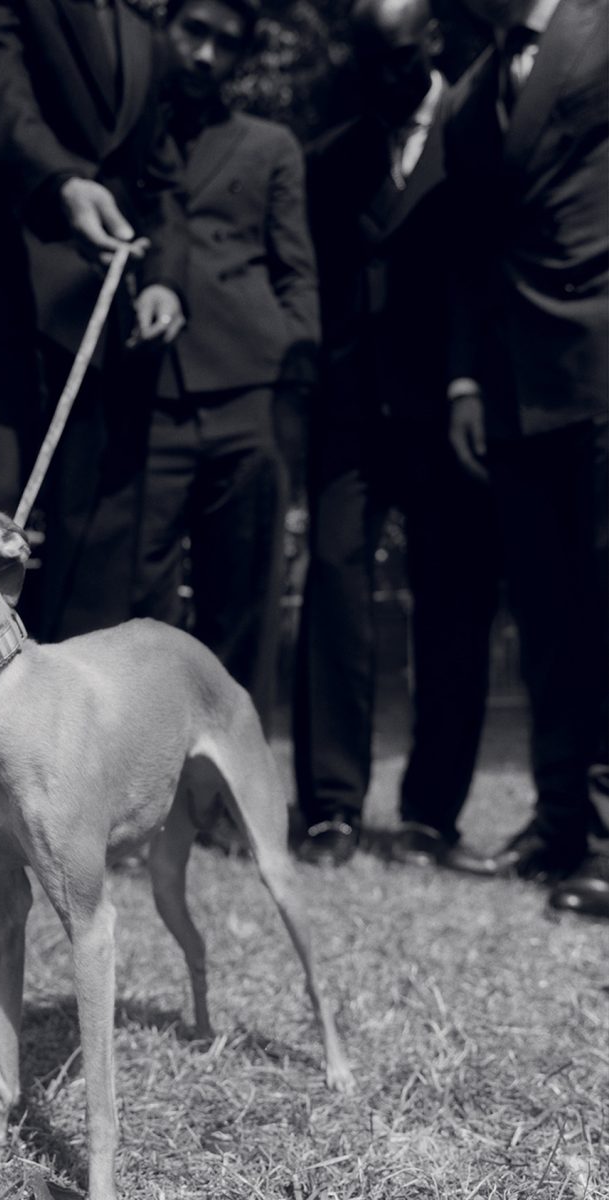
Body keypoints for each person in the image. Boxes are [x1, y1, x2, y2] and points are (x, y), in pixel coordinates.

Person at [0, 0, 187, 895]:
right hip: (11, 308)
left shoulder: (150, 32)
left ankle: (75, 807)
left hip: (112, 327)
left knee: (97, 559)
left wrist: (166, 277)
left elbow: (162, 174)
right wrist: (61, 181)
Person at [292, 0, 501, 870]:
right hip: (347, 414)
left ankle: (430, 814)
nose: (383, 76)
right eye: (368, 59)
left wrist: (472, 381)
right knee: (333, 587)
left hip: (450, 409)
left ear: (433, 43)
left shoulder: (480, 129)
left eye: (399, 58)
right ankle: (330, 809)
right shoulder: (333, 149)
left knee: (452, 604)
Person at [445, 0, 609, 917]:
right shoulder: (471, 92)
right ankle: (558, 824)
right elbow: (468, 249)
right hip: (512, 382)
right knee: (545, 617)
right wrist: (464, 381)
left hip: (601, 351)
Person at [132, 0, 319, 736]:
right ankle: (136, 766)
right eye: (194, 32)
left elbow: (296, 275)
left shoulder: (268, 144)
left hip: (249, 395)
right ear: (163, 27)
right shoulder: (123, 130)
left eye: (226, 44)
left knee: (241, 604)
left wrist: (290, 394)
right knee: (137, 597)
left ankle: (229, 777)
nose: (206, 55)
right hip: (145, 396)